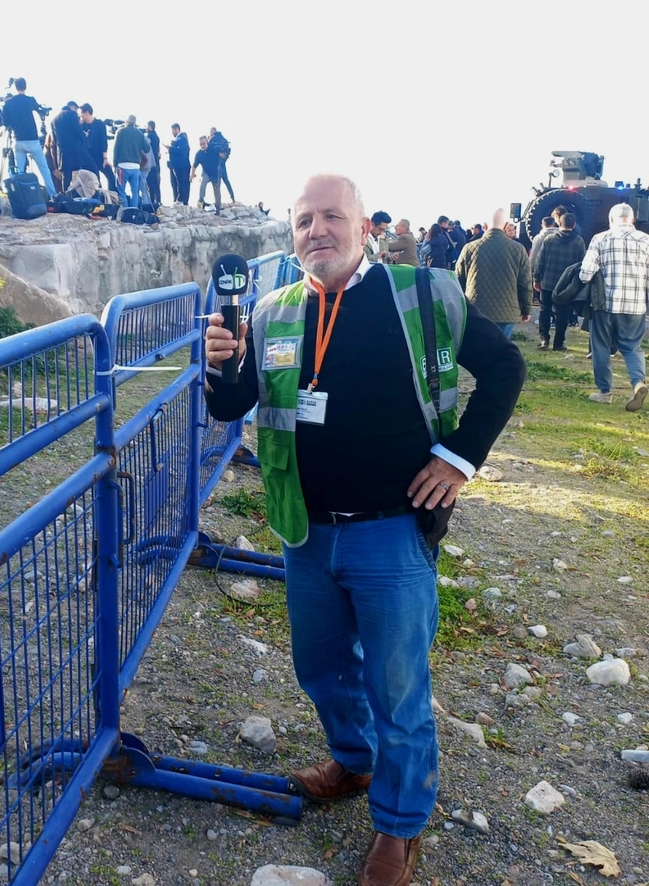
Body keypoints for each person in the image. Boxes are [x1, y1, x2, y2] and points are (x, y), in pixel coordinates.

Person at [204, 173, 525, 886]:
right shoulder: (275, 310)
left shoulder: (422, 294)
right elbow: (232, 408)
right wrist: (220, 367)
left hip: (391, 532)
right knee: (320, 668)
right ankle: (354, 762)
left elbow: (505, 366)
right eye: (303, 221)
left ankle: (400, 826)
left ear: (364, 227)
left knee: (397, 686)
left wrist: (460, 457)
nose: (316, 230)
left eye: (332, 216)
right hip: (305, 532)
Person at [579, 203, 649, 410]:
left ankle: (604, 392)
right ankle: (638, 383)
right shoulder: (646, 240)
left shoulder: (600, 239)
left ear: (611, 220)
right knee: (632, 347)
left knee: (600, 347)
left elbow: (585, 274)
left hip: (605, 304)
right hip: (635, 306)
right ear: (632, 220)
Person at [455, 209, 531, 337]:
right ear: (506, 226)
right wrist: (526, 309)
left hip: (475, 309)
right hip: (507, 312)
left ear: (484, 226)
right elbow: (525, 283)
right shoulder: (518, 249)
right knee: (502, 347)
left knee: (478, 347)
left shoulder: (469, 248)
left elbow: (458, 280)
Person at [532, 213, 585, 351]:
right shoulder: (578, 242)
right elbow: (581, 264)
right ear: (574, 225)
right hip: (566, 286)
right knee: (562, 314)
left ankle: (544, 339)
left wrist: (536, 278)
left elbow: (540, 261)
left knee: (544, 310)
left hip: (547, 282)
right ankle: (558, 343)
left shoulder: (549, 239)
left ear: (559, 223)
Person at [0, 78, 57, 197]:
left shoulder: (9, 103)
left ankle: (23, 197)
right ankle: (53, 195)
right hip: (32, 139)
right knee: (44, 170)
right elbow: (40, 109)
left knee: (20, 172)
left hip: (18, 140)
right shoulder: (30, 100)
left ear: (15, 87)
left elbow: (5, 122)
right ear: (25, 87)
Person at [51, 101, 98, 190]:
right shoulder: (72, 115)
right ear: (72, 107)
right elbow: (78, 132)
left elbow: (54, 141)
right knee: (93, 168)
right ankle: (96, 190)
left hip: (63, 153)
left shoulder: (54, 120)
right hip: (77, 151)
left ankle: (66, 194)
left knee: (67, 176)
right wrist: (85, 135)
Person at [112, 115, 146, 208]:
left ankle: (125, 210)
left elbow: (116, 149)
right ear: (135, 122)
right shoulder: (140, 134)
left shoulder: (120, 131)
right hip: (135, 167)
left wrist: (114, 164)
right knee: (135, 192)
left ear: (126, 121)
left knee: (121, 190)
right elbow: (146, 148)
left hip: (122, 166)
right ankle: (133, 210)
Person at [80, 103, 116, 191]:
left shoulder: (99, 124)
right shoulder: (81, 126)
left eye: (81, 113)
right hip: (87, 157)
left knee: (110, 176)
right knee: (94, 179)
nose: (80, 115)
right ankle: (98, 195)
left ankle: (112, 194)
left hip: (99, 155)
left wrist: (105, 158)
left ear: (86, 112)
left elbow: (103, 141)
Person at [190, 135, 222, 214]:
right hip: (206, 172)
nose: (202, 146)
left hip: (216, 173)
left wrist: (222, 155)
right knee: (203, 182)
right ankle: (201, 199)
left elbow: (223, 154)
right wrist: (192, 175)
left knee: (217, 192)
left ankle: (218, 209)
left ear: (207, 142)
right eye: (200, 144)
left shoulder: (214, 148)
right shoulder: (199, 154)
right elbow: (194, 165)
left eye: (203, 144)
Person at [209, 127, 235, 203]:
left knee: (218, 181)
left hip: (217, 163)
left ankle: (218, 201)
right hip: (223, 162)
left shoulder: (212, 139)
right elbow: (228, 149)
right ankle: (232, 197)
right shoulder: (223, 139)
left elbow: (210, 150)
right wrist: (225, 156)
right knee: (226, 180)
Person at [167, 123, 191, 204]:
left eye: (173, 130)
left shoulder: (182, 139)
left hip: (181, 165)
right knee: (180, 183)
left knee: (181, 183)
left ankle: (181, 199)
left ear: (177, 129)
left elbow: (180, 151)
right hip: (179, 165)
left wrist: (170, 148)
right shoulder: (179, 139)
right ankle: (181, 200)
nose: (172, 132)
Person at [145, 121, 162, 205]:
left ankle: (152, 202)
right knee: (156, 184)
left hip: (150, 163)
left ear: (149, 126)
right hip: (156, 163)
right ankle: (158, 201)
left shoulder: (149, 136)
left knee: (150, 184)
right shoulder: (156, 136)